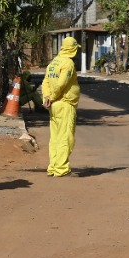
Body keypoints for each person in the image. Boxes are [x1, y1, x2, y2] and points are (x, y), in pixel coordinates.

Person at [43, 37, 81, 177]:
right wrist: (52, 97)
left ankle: (53, 167)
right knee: (66, 137)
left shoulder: (53, 63)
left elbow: (46, 82)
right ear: (73, 49)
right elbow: (61, 84)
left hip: (54, 105)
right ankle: (62, 169)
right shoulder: (68, 63)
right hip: (65, 103)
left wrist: (47, 98)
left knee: (55, 137)